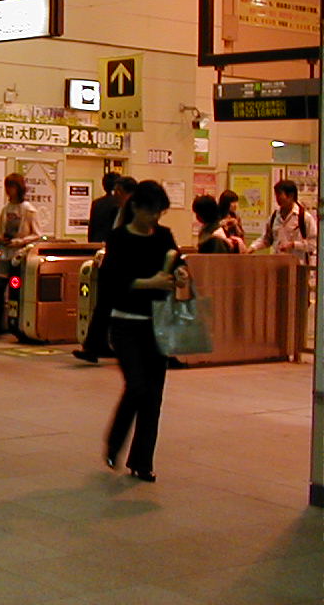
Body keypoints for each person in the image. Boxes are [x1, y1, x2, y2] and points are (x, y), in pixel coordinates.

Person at [101, 180, 187, 482]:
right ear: (136, 207)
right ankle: (115, 441)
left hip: (157, 324)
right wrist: (151, 282)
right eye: (151, 211)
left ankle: (142, 462)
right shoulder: (119, 238)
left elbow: (178, 263)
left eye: (159, 213)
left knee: (154, 396)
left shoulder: (164, 236)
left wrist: (180, 273)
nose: (155, 219)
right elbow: (113, 281)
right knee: (137, 386)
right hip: (126, 323)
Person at [74, 174, 136, 363]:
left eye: (118, 191)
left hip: (123, 266)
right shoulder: (118, 209)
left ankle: (97, 346)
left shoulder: (134, 211)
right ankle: (97, 345)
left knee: (108, 307)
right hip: (112, 263)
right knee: (105, 306)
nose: (114, 194)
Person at [0, 172, 41, 333]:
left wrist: (20, 241)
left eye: (12, 187)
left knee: (15, 289)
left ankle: (15, 321)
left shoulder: (28, 210)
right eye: (7, 187)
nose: (9, 191)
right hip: (5, 254)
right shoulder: (6, 209)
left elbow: (37, 234)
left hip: (19, 255)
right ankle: (0, 322)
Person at [247, 179, 317, 262]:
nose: (277, 199)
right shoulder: (274, 217)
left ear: (291, 195)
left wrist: (293, 245)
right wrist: (252, 247)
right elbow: (266, 239)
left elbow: (313, 244)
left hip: (298, 265)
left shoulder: (304, 217)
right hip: (277, 264)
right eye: (276, 195)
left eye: (279, 195)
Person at [87, 172, 121, 244]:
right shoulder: (119, 203)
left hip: (97, 242)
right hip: (114, 242)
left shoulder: (96, 203)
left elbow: (92, 227)